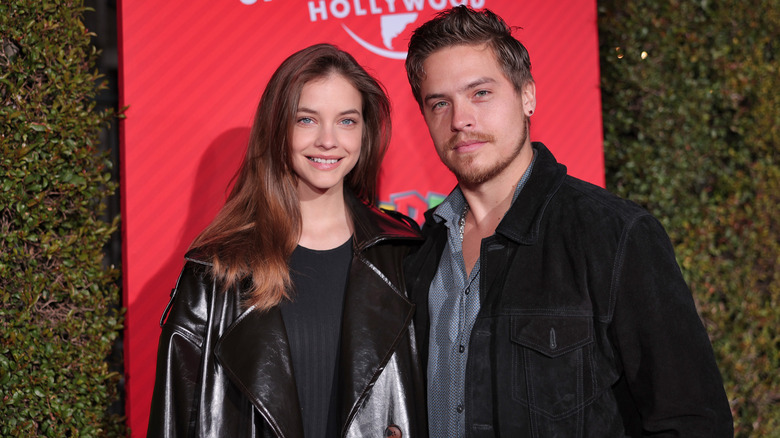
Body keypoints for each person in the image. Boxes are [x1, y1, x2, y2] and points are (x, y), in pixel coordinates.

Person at [403, 6, 733, 437]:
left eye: (480, 93)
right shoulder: (420, 254)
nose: (460, 120)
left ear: (527, 96)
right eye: (440, 103)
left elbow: (693, 422)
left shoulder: (615, 236)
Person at [147, 43, 426, 438]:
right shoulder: (215, 273)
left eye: (347, 121)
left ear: (366, 132)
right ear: (277, 128)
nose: (328, 141)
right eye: (307, 120)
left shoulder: (404, 254)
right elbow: (173, 421)